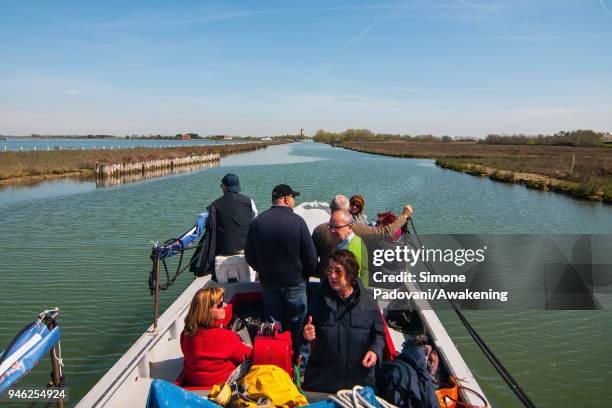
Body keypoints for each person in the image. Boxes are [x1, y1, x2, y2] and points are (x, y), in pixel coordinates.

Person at [244, 184, 317, 361]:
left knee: (273, 325)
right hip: (295, 284)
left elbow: (249, 255)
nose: (294, 201)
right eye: (293, 198)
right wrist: (304, 276)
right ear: (285, 199)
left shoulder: (258, 222)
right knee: (299, 324)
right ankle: (299, 360)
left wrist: (261, 270)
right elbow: (311, 257)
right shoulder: (298, 222)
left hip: (269, 284)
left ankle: (275, 358)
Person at [303, 250, 385, 393]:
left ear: (350, 274)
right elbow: (304, 331)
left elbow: (379, 333)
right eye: (329, 271)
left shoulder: (369, 301)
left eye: (338, 272)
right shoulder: (318, 299)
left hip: (359, 385)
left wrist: (374, 351)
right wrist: (306, 334)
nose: (332, 276)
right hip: (323, 384)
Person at [311, 194, 414, 276]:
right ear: (348, 209)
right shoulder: (358, 229)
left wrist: (325, 273)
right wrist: (404, 216)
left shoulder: (319, 231)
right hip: (351, 281)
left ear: (331, 208)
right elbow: (386, 232)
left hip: (328, 279)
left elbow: (311, 260)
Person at [180, 287, 252, 388]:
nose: (225, 305)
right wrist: (246, 346)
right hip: (223, 385)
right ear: (205, 310)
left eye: (223, 302)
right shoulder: (225, 337)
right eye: (219, 305)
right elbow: (248, 355)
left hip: (195, 383)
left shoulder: (186, 334)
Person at [210, 173, 258, 256]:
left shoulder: (215, 204)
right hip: (245, 247)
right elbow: (255, 219)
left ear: (224, 187)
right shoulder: (248, 201)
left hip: (224, 248)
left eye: (221, 186)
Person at [329, 209, 369, 287]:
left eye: (336, 227)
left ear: (349, 227)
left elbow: (350, 283)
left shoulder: (350, 252)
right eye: (330, 226)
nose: (332, 231)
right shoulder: (357, 240)